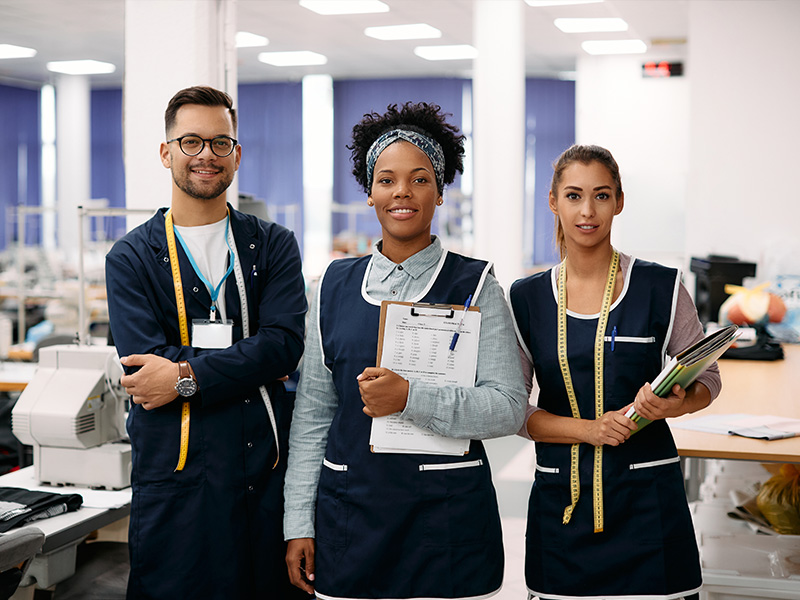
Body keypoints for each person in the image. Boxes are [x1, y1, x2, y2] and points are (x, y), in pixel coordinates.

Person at [283, 102, 527, 600]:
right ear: (369, 191)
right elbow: (312, 417)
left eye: (419, 179)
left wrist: (411, 398)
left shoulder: (477, 284)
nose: (402, 193)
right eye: (387, 179)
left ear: (439, 190)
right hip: (352, 513)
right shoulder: (330, 285)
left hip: (446, 522)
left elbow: (507, 407)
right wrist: (297, 522)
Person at [105, 85, 308, 599]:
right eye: (191, 142)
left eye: (220, 143)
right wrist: (249, 359)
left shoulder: (272, 245)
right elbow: (141, 368)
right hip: (178, 482)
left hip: (263, 471)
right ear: (166, 151)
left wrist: (182, 376)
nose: (206, 156)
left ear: (236, 154)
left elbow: (284, 345)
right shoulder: (130, 258)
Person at [509, 144, 721, 600]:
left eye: (601, 196)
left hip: (649, 505)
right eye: (573, 196)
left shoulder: (661, 287)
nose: (587, 211)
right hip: (562, 507)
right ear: (553, 201)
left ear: (619, 202)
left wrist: (679, 403)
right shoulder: (525, 299)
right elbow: (513, 411)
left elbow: (709, 379)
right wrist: (589, 430)